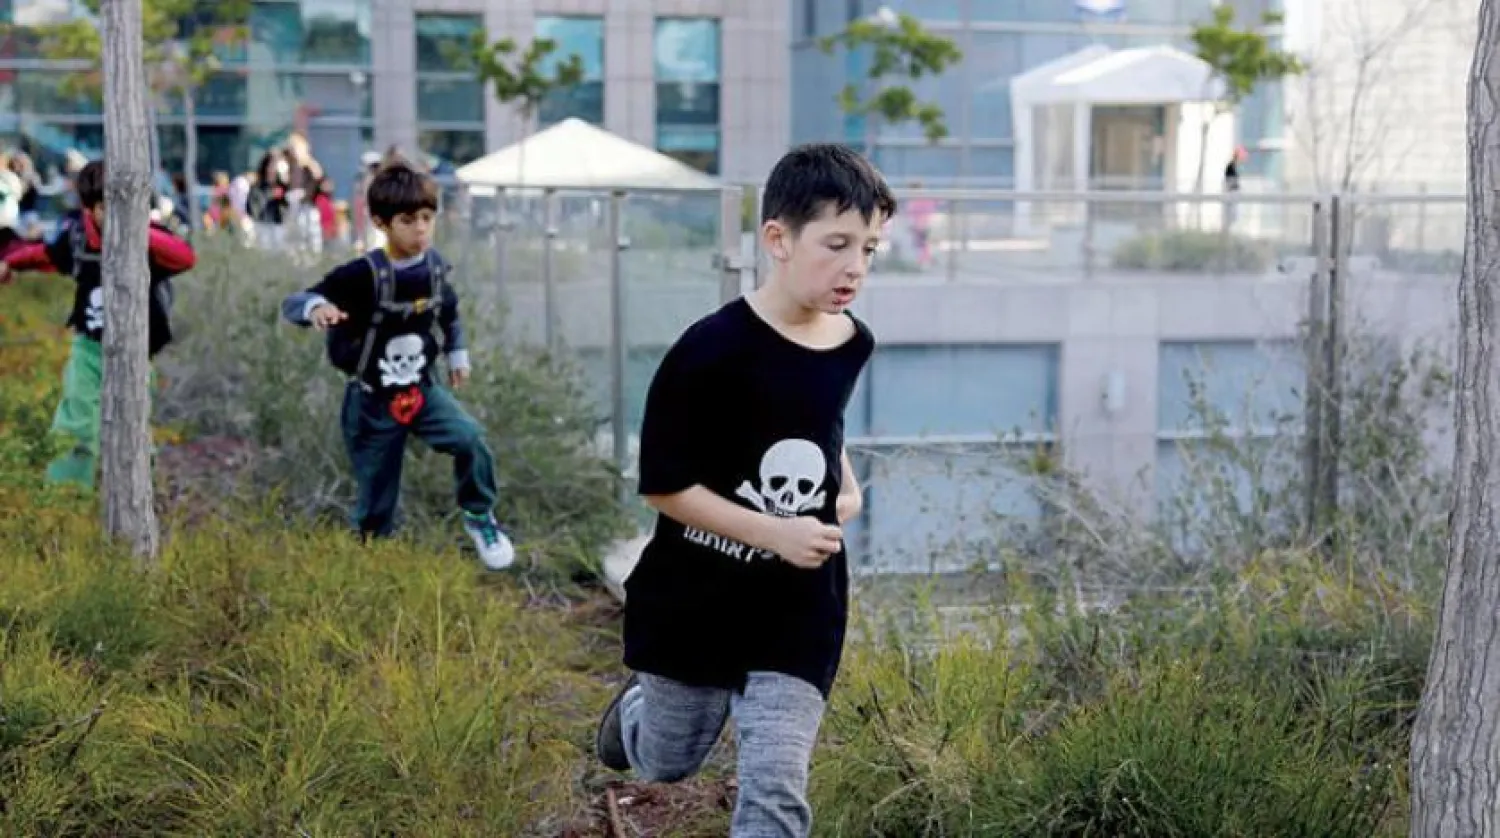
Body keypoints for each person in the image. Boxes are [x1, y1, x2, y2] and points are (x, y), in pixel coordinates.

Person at [592, 143, 893, 837]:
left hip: (797, 610)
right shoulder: (710, 348)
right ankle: (633, 717)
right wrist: (776, 531)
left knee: (777, 787)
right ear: (778, 240)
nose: (856, 267)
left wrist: (842, 486)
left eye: (871, 249)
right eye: (839, 244)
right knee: (665, 763)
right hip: (695, 597)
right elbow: (665, 487)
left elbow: (819, 424)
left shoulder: (852, 340)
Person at [278, 161, 515, 570]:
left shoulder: (435, 269)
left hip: (421, 391)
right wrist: (318, 308)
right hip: (372, 403)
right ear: (381, 223)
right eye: (408, 221)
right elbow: (296, 300)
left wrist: (458, 354)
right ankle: (373, 571)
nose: (420, 229)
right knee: (376, 501)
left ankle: (479, 516)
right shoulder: (362, 274)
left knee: (470, 439)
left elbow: (450, 314)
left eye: (427, 218)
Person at [0, 160, 197, 487]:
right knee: (77, 421)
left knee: (132, 426)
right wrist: (10, 263)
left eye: (124, 206)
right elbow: (46, 255)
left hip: (136, 351)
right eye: (107, 208)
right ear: (90, 208)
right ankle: (65, 499)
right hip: (90, 344)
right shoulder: (77, 236)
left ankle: (136, 494)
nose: (115, 216)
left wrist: (140, 232)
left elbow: (184, 257)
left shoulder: (148, 235)